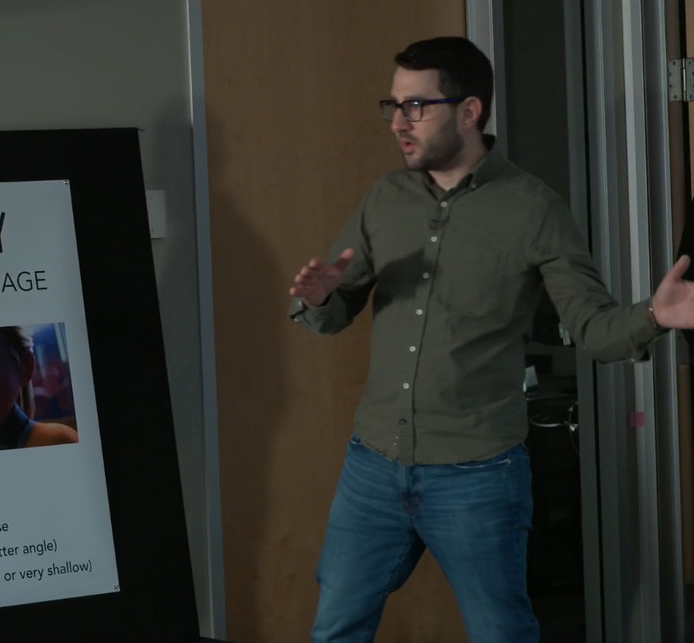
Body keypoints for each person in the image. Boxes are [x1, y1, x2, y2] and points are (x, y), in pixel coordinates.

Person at [288, 36, 694, 642]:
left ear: (470, 110)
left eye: (416, 106)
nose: (399, 122)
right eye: (392, 106)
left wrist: (656, 317)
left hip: (476, 476)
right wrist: (319, 297)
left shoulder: (535, 210)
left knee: (501, 631)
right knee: (337, 626)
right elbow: (336, 310)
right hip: (372, 466)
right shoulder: (384, 199)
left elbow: (594, 329)